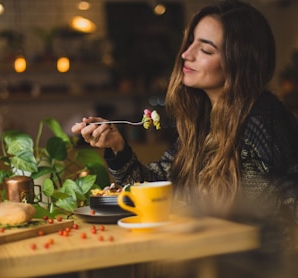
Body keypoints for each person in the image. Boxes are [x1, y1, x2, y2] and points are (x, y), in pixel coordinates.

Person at [72, 0, 298, 228]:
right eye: (190, 42)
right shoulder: (205, 119)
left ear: (239, 63)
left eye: (206, 50)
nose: (186, 54)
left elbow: (272, 221)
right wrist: (117, 147)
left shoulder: (261, 122)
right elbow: (158, 188)